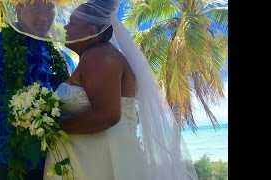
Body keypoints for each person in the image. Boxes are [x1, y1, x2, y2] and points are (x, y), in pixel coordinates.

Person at [42, 0, 199, 180]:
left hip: (102, 158)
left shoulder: (101, 57)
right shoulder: (94, 56)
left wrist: (53, 128)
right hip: (94, 154)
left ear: (91, 32)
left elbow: (107, 115)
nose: (66, 27)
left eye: (73, 23)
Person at [0, 0, 74, 179]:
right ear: (19, 8)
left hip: (49, 160)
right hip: (3, 157)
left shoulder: (60, 57)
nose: (45, 16)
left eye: (50, 8)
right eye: (36, 6)